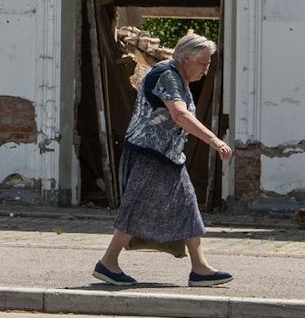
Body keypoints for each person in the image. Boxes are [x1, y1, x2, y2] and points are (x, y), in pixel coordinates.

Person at [94, 32, 234, 287]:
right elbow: (179, 115)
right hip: (150, 154)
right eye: (204, 63)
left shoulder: (179, 79)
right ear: (188, 58)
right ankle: (108, 263)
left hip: (168, 156)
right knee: (137, 208)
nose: (206, 69)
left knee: (188, 207)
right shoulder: (166, 74)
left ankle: (200, 268)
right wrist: (215, 140)